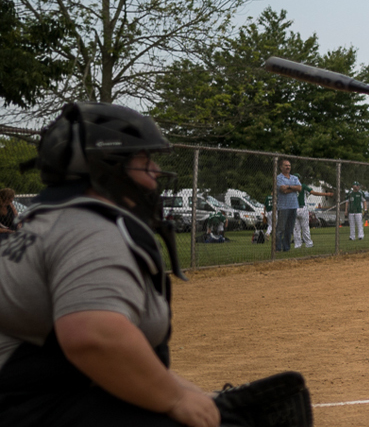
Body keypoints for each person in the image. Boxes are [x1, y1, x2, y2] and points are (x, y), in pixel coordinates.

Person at [0, 102, 223, 426]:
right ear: (107, 168)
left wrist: (177, 386)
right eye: (144, 160)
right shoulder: (88, 230)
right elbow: (94, 337)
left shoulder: (46, 219)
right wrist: (174, 398)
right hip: (33, 410)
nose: (156, 171)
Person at [273, 160, 301, 251]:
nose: (288, 167)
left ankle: (286, 248)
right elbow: (282, 190)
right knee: (281, 229)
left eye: (289, 165)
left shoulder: (294, 177)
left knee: (289, 229)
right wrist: (293, 188)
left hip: (293, 206)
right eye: (286, 165)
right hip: (283, 207)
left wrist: (288, 187)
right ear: (281, 167)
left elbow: (300, 188)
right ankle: (277, 247)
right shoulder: (279, 178)